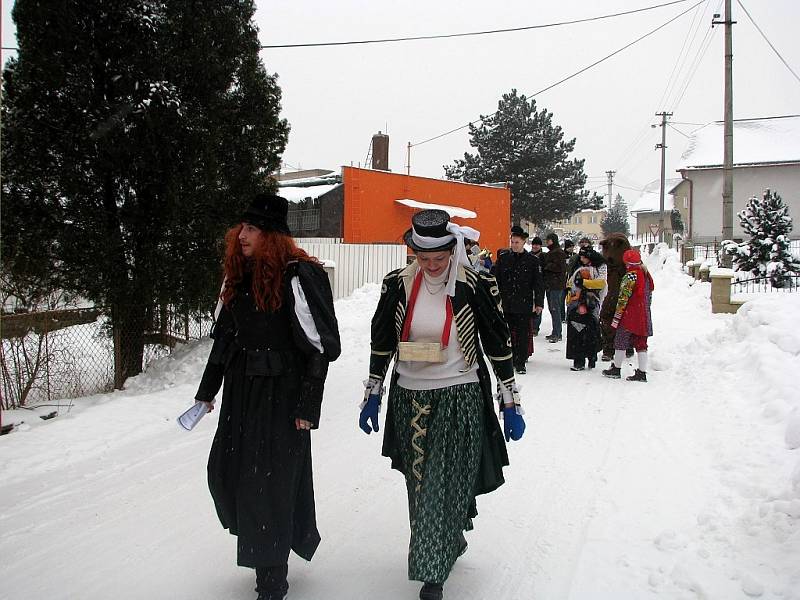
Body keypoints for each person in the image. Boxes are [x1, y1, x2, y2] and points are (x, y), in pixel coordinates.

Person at [359, 209, 525, 600]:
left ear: (453, 250)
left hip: (459, 394)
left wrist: (510, 398)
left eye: (439, 259)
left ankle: (433, 573)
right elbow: (382, 340)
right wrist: (373, 393)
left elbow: (497, 341)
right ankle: (448, 537)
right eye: (423, 258)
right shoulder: (396, 284)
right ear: (412, 251)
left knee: (442, 479)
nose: (432, 266)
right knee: (420, 486)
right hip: (410, 397)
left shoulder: (475, 283)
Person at [194, 193, 341, 600]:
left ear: (272, 236)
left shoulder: (299, 275)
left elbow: (320, 347)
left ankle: (271, 577)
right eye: (242, 227)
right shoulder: (238, 275)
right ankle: (268, 546)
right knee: (224, 474)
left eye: (253, 229)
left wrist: (308, 406)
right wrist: (207, 393)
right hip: (242, 392)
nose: (242, 235)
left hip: (283, 395)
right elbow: (225, 338)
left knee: (267, 486)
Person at [492, 225, 544, 374]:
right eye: (512, 242)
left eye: (517, 242)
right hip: (506, 303)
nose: (514, 245)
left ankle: (520, 361)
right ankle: (509, 359)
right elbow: (496, 280)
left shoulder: (532, 261)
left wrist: (539, 302)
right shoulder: (504, 258)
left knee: (522, 334)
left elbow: (538, 284)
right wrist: (495, 300)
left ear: (523, 242)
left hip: (523, 303)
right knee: (506, 333)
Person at [602, 249, 654, 382]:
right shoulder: (646, 274)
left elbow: (623, 299)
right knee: (641, 344)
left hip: (630, 315)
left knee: (621, 341)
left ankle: (616, 369)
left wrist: (617, 317)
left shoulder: (630, 276)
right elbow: (649, 296)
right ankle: (642, 372)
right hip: (643, 314)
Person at [565, 247, 607, 370]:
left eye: (583, 257)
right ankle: (584, 358)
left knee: (586, 332)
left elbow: (601, 283)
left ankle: (586, 357)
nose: (581, 259)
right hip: (579, 303)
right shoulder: (580, 266)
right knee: (581, 331)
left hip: (588, 304)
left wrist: (584, 283)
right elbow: (571, 282)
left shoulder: (599, 267)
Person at [598, 233, 632, 361]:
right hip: (613, 295)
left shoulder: (629, 267)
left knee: (617, 320)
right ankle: (613, 348)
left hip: (622, 296)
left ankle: (618, 347)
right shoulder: (610, 265)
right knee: (609, 319)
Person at [541, 233, 567, 343]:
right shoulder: (552, 252)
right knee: (552, 309)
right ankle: (555, 331)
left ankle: (557, 333)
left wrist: (546, 265)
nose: (547, 242)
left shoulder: (558, 253)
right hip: (551, 284)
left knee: (555, 309)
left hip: (556, 285)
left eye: (548, 240)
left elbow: (560, 267)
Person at [528, 236, 545, 336]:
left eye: (537, 245)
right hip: (529, 284)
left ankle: (535, 327)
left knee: (538, 305)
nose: (535, 246)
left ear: (540, 246)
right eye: (534, 244)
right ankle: (530, 326)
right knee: (531, 305)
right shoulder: (528, 255)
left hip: (540, 284)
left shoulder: (543, 256)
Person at [561, 239, 576, 323]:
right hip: (563, 281)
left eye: (572, 246)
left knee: (571, 300)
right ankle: (562, 316)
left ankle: (569, 316)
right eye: (570, 247)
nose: (571, 248)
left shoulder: (575, 256)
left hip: (571, 281)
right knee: (561, 301)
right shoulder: (562, 255)